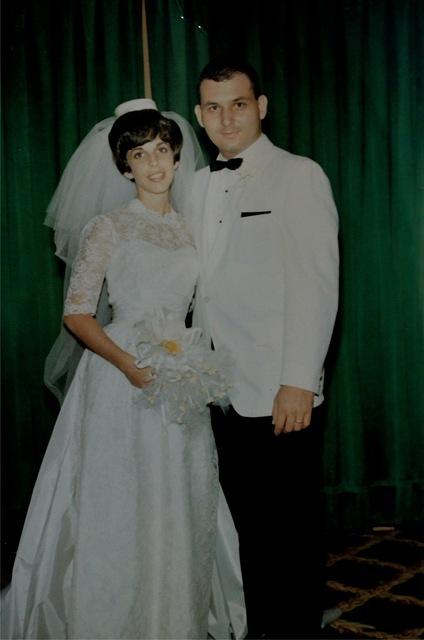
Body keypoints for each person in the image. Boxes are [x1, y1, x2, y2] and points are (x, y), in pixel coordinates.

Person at [1, 101, 246, 639]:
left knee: (181, 494)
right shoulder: (107, 227)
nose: (154, 163)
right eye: (140, 153)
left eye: (162, 150)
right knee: (122, 501)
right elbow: (77, 314)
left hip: (180, 375)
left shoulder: (193, 229)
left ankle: (172, 616)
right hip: (120, 377)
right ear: (124, 166)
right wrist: (128, 364)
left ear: (177, 156)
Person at [188, 58, 340, 639]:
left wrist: (300, 378)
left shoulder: (300, 175)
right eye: (213, 107)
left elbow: (317, 282)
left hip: (280, 387)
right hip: (214, 387)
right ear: (200, 115)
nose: (226, 118)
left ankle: (296, 629)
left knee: (289, 528)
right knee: (242, 524)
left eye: (239, 104)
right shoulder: (198, 184)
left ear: (262, 106)